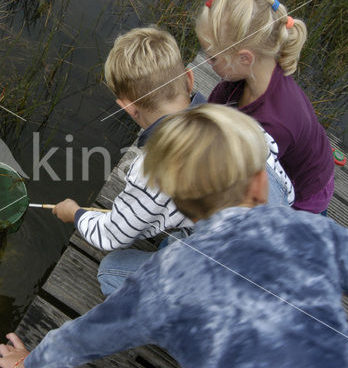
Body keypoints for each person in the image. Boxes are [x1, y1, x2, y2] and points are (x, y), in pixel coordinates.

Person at [0, 104, 348, 368]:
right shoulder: (312, 231)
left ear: (182, 209)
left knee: (113, 273)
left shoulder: (169, 278)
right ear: (261, 184)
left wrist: (29, 363)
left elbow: (87, 336)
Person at [52, 25, 293, 295]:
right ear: (190, 79)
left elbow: (112, 236)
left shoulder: (150, 171)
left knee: (111, 272)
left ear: (128, 108)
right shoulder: (240, 122)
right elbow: (287, 190)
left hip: (233, 290)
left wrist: (75, 213)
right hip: (283, 252)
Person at [196, 0, 334, 214]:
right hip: (299, 152)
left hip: (304, 191)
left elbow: (244, 183)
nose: (206, 62)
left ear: (244, 58)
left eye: (212, 58)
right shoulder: (253, 73)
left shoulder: (272, 125)